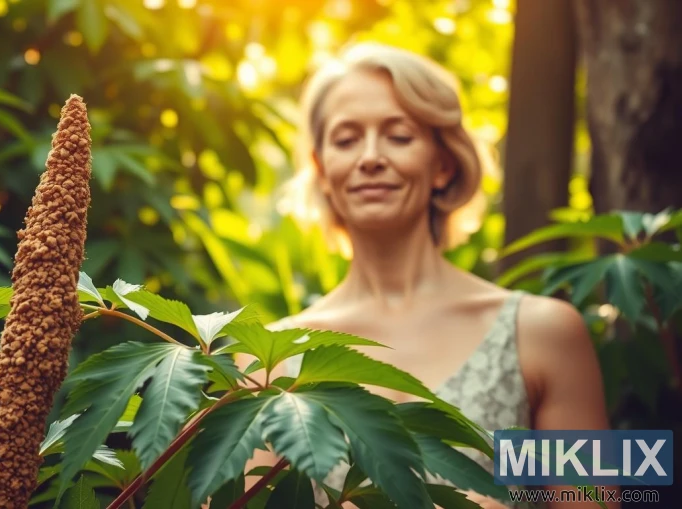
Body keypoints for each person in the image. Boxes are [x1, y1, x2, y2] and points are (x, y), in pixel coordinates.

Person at [236, 42, 617, 509]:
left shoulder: (543, 333)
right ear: (321, 169)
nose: (370, 157)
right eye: (346, 139)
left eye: (398, 136)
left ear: (443, 164)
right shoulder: (266, 362)